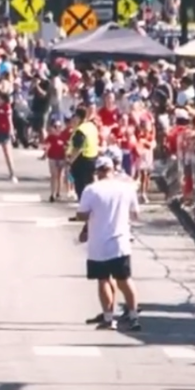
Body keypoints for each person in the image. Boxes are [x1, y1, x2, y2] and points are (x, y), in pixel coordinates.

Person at [76, 155, 141, 331]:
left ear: (97, 171)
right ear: (113, 170)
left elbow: (82, 214)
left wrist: (88, 223)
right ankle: (134, 316)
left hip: (99, 243)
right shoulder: (126, 189)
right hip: (121, 241)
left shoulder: (92, 190)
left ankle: (108, 318)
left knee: (103, 279)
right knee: (125, 279)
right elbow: (136, 214)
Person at [65, 105, 102, 200]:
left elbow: (78, 148)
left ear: (78, 117)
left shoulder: (81, 130)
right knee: (90, 187)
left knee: (81, 189)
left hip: (81, 161)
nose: (73, 120)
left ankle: (84, 211)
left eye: (74, 117)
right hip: (92, 159)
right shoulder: (91, 126)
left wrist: (70, 162)